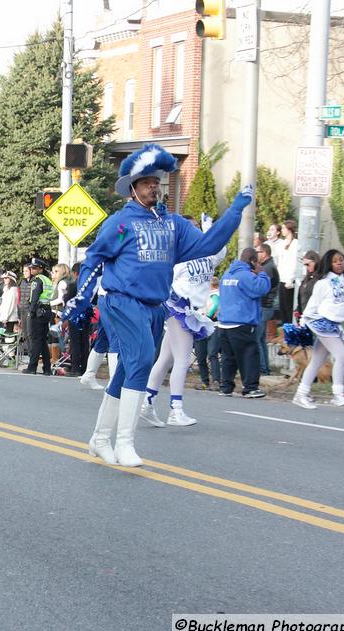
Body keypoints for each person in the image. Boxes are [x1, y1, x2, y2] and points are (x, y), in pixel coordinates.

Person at [64, 143, 252, 467]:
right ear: (133, 188)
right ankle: (125, 443)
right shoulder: (121, 223)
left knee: (126, 369)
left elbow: (208, 244)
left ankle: (99, 438)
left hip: (155, 306)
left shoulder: (173, 224)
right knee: (140, 361)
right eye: (147, 181)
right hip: (122, 302)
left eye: (156, 181)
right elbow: (94, 257)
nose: (154, 186)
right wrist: (81, 298)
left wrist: (235, 211)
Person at [141, 214, 227, 426]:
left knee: (166, 359)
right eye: (191, 228)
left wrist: (210, 228)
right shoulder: (177, 257)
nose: (194, 231)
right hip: (179, 308)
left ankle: (146, 403)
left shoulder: (207, 254)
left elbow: (221, 250)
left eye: (197, 227)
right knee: (183, 359)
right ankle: (175, 410)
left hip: (193, 310)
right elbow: (162, 280)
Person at [293, 247, 344, 409]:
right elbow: (312, 305)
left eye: (341, 260)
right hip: (321, 323)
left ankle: (301, 394)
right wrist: (302, 322)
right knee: (342, 356)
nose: (339, 264)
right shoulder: (323, 283)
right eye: (335, 261)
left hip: (334, 326)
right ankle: (338, 394)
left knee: (317, 360)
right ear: (329, 264)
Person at [217, 247, 272, 398]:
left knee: (229, 358)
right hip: (241, 322)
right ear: (253, 261)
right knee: (249, 355)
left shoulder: (227, 274)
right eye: (256, 262)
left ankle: (226, 387)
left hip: (224, 323)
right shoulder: (245, 275)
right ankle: (250, 388)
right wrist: (262, 273)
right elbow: (261, 288)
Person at [21, 258, 53, 375]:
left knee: (35, 340)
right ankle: (47, 368)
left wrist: (31, 312)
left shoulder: (37, 280)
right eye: (31, 268)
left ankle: (32, 367)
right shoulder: (47, 279)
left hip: (37, 312)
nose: (32, 270)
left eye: (34, 268)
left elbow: (34, 298)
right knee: (42, 341)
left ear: (41, 269)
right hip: (46, 310)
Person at [192, 275, 222, 391]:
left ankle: (216, 381)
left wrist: (208, 316)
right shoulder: (202, 295)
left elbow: (214, 305)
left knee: (212, 354)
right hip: (200, 327)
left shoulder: (215, 294)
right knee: (200, 355)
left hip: (213, 326)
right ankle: (205, 381)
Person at [254, 244, 280, 376]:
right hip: (267, 306)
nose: (256, 255)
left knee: (257, 339)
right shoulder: (269, 266)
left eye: (257, 252)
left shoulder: (267, 268)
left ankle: (262, 368)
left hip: (265, 305)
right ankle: (265, 367)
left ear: (264, 253)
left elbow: (263, 287)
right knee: (262, 339)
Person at [65, 263, 90, 376]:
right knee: (84, 342)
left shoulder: (72, 286)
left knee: (75, 342)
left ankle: (75, 368)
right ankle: (84, 367)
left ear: (75, 273)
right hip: (86, 316)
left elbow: (67, 300)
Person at [275, 219, 300, 324]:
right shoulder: (282, 244)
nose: (282, 231)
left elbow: (294, 262)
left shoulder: (296, 243)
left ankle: (291, 331)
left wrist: (291, 278)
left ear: (289, 229)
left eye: (284, 228)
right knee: (282, 308)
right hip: (281, 278)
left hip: (289, 280)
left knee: (289, 307)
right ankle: (286, 332)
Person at [296, 250, 321, 316]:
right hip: (304, 315)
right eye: (305, 265)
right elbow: (302, 296)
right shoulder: (307, 278)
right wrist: (298, 310)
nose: (306, 267)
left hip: (315, 316)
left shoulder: (320, 279)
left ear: (315, 262)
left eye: (308, 264)